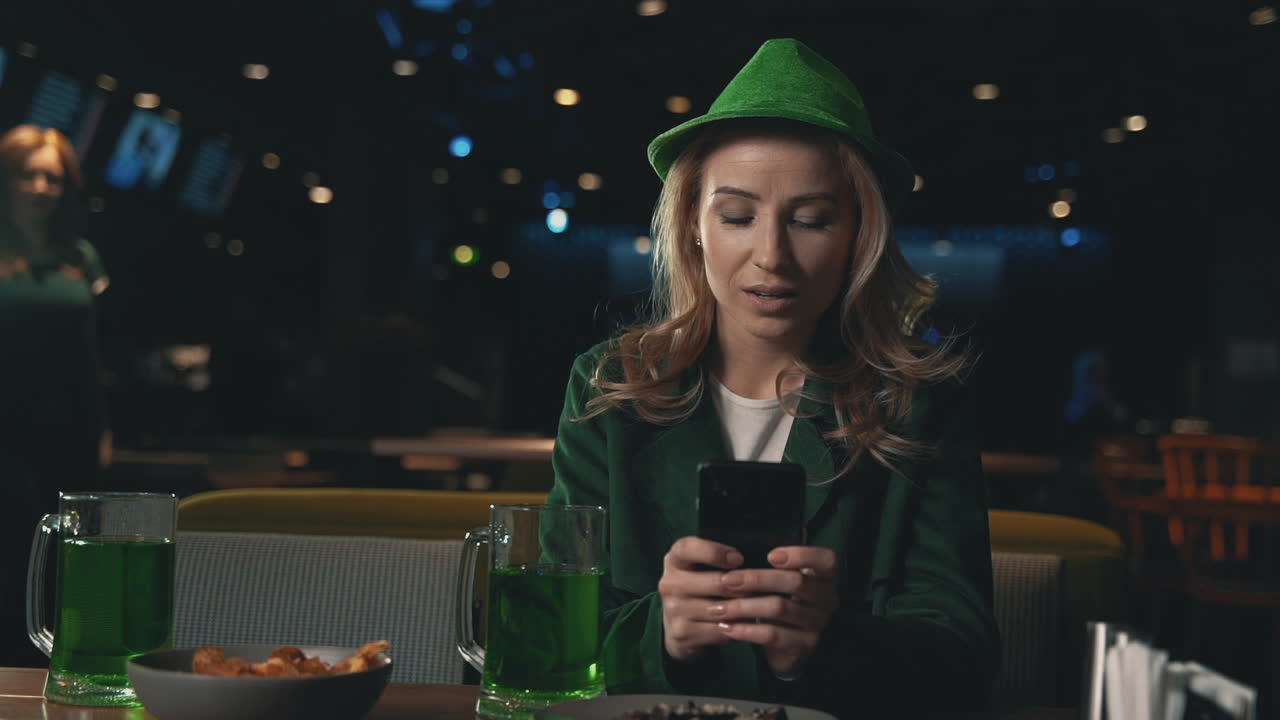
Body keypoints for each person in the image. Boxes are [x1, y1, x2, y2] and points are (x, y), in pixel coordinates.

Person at [547, 39, 1000, 715]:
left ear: (859, 235)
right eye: (736, 216)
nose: (771, 257)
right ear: (694, 227)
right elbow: (554, 637)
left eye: (812, 220)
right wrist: (662, 636)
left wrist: (823, 645)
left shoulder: (916, 403)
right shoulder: (612, 388)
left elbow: (961, 661)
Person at [0, 125, 111, 667]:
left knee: (67, 570)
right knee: (9, 558)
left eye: (54, 177)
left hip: (69, 433)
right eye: (30, 174)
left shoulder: (81, 257)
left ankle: (60, 682)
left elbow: (91, 356)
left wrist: (103, 429)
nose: (42, 186)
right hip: (4, 430)